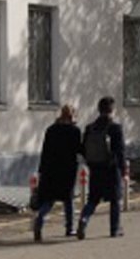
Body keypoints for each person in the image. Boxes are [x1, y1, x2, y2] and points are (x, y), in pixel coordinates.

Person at [77, 96, 125, 239]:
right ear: (112, 110)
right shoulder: (115, 128)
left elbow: (83, 149)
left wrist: (90, 163)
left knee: (93, 199)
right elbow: (120, 152)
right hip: (111, 169)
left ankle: (84, 219)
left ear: (99, 109)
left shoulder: (90, 128)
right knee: (115, 200)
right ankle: (114, 229)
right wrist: (123, 171)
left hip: (95, 169)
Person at [32, 105, 81, 241]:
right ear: (72, 116)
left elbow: (45, 151)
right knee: (68, 199)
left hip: (50, 170)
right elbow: (78, 149)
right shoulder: (74, 131)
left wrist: (41, 170)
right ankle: (70, 228)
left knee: (49, 199)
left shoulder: (51, 130)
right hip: (67, 170)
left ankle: (40, 219)